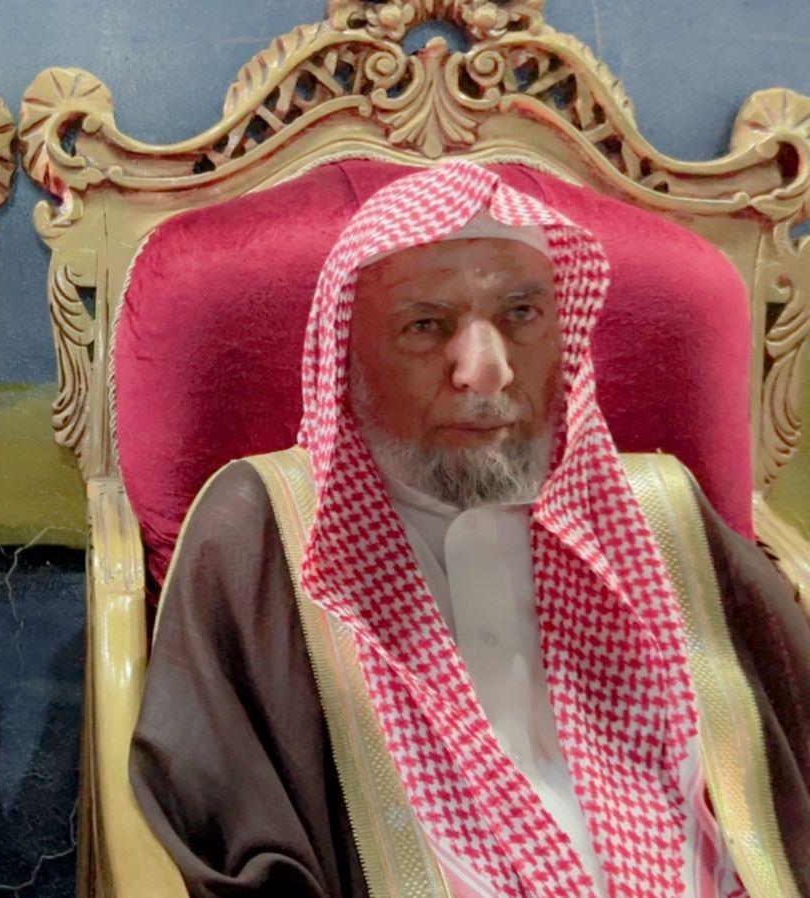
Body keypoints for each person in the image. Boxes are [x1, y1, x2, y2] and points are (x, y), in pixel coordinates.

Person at [132, 161, 810, 898]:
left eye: (521, 314)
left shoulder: (661, 519)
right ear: (348, 355)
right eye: (426, 326)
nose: (485, 372)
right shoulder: (263, 531)